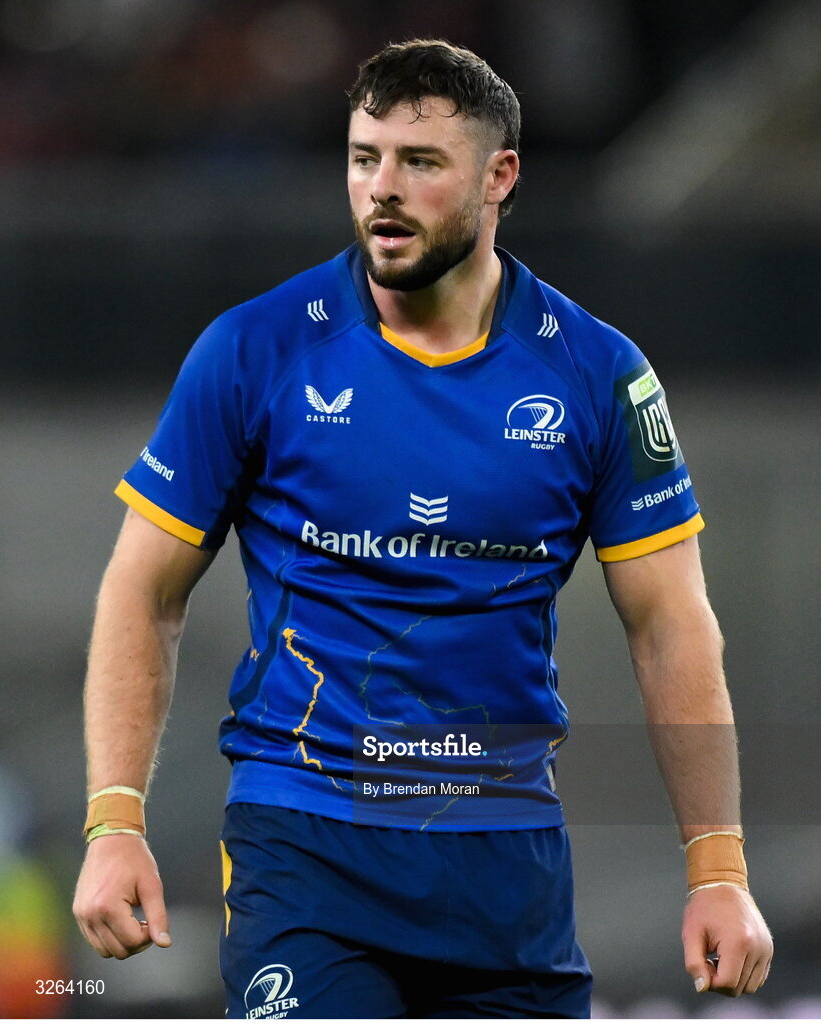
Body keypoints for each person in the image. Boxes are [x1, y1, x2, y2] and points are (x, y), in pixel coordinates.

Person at [73, 39, 773, 1019]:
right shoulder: (254, 350)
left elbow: (670, 627)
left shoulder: (598, 375)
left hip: (502, 865)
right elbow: (141, 591)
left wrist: (716, 867)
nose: (381, 191)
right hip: (305, 846)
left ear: (499, 178)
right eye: (364, 158)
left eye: (419, 162)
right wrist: (113, 821)